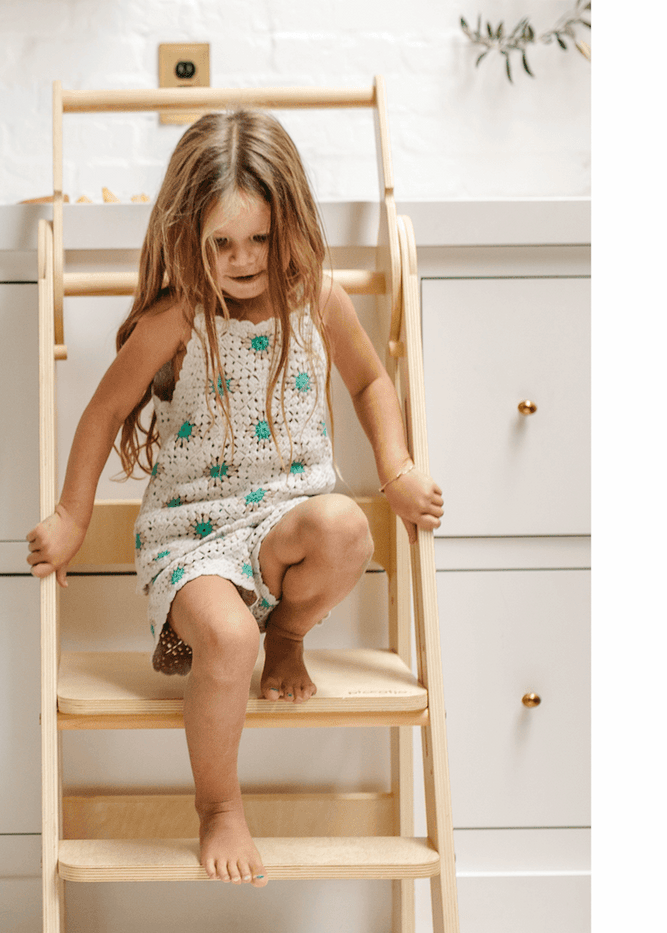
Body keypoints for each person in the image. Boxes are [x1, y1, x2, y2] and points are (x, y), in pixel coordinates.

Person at [25, 108, 444, 888]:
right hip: (192, 536)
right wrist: (71, 518)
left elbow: (369, 380)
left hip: (285, 520)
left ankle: (286, 632)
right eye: (222, 243)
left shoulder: (318, 299)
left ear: (290, 224)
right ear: (190, 237)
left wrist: (397, 469)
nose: (243, 259)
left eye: (259, 238)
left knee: (346, 526)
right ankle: (218, 804)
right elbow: (102, 412)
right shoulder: (176, 318)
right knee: (224, 639)